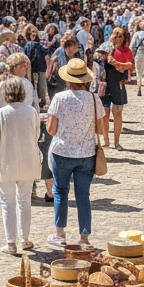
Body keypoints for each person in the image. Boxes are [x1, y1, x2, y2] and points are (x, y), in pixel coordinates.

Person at [46, 58, 106, 248]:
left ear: (68, 79)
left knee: (60, 192)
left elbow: (51, 129)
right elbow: (100, 127)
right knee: (83, 196)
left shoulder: (59, 98)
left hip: (62, 152)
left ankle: (60, 234)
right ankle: (84, 238)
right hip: (86, 153)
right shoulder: (94, 99)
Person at [0, 78, 41, 255]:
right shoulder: (32, 112)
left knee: (7, 203)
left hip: (7, 164)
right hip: (28, 162)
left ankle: (11, 243)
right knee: (24, 201)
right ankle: (25, 239)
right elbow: (36, 135)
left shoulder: (1, 114)